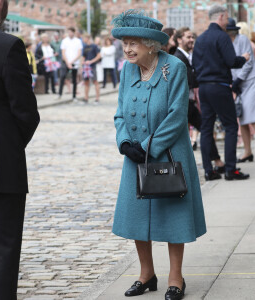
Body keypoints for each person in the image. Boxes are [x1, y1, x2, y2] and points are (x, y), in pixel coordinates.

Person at [111, 9, 206, 300]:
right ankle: (146, 274)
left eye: (134, 43)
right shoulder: (127, 69)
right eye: (124, 42)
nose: (127, 48)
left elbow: (178, 117)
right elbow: (119, 114)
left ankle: (176, 278)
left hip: (168, 154)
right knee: (138, 216)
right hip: (134, 157)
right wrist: (125, 142)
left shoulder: (173, 68)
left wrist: (148, 146)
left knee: (173, 216)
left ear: (151, 45)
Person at [0, 0, 40, 298]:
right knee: (3, 250)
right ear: (0, 3)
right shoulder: (6, 44)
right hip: (0, 163)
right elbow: (26, 112)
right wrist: (9, 147)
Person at [192, 5, 250, 181]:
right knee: (231, 126)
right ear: (222, 17)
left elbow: (194, 63)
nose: (227, 21)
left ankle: (209, 171)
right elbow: (232, 61)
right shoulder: (222, 36)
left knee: (206, 129)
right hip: (220, 85)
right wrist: (244, 58)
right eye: (226, 18)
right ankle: (231, 169)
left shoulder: (200, 39)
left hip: (203, 87)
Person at [173, 27, 225, 173]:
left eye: (192, 37)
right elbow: (188, 81)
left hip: (188, 103)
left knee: (204, 129)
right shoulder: (178, 57)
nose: (191, 40)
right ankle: (214, 163)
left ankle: (217, 162)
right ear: (179, 39)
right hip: (182, 104)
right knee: (203, 129)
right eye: (188, 37)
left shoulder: (188, 56)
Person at [226, 18, 255, 164]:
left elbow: (248, 62)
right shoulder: (226, 42)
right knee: (242, 118)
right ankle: (247, 151)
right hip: (239, 84)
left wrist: (238, 80)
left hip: (252, 81)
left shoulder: (242, 39)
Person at [58, 27, 83, 101]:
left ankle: (74, 96)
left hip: (74, 62)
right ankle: (59, 94)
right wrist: (67, 62)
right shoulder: (64, 41)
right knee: (62, 77)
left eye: (71, 32)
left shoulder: (78, 41)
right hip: (66, 62)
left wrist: (72, 62)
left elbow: (79, 53)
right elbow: (63, 52)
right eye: (68, 32)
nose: (69, 33)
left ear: (74, 32)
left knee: (74, 79)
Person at [82, 34, 101, 103]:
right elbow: (83, 57)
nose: (83, 40)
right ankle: (86, 98)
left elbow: (99, 56)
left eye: (84, 38)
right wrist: (83, 63)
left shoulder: (94, 46)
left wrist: (91, 61)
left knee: (95, 81)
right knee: (86, 82)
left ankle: (97, 98)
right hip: (86, 67)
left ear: (87, 38)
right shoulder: (85, 47)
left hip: (92, 66)